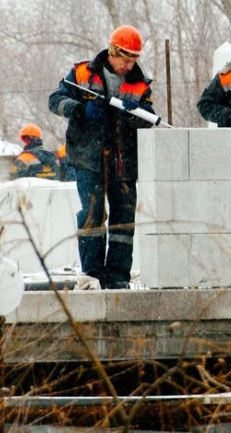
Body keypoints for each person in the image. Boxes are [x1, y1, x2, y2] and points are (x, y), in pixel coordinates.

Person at [48, 25, 156, 289]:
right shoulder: (82, 73)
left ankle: (118, 276)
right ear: (112, 52)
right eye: (125, 59)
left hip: (124, 161)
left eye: (134, 60)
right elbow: (55, 100)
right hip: (88, 159)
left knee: (124, 217)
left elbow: (148, 120)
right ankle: (93, 274)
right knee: (93, 213)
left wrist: (135, 114)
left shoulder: (140, 84)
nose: (128, 65)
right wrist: (80, 109)